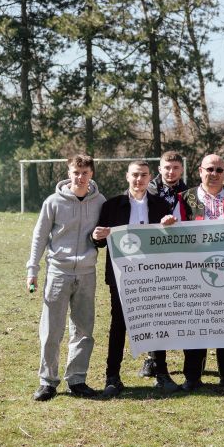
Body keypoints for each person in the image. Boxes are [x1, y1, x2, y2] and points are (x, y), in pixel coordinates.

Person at [92, 161, 180, 397]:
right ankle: (112, 376)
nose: (139, 179)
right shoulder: (112, 205)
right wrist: (97, 235)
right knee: (119, 324)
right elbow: (99, 241)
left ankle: (162, 373)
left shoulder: (161, 205)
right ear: (127, 176)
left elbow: (170, 241)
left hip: (152, 275)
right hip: (122, 275)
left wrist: (169, 227)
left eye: (143, 175)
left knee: (156, 322)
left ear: (150, 177)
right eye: (135, 175)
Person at [26, 154, 106, 401]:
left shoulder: (100, 201)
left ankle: (77, 379)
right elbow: (40, 236)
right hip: (57, 273)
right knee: (51, 330)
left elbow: (106, 234)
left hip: (87, 273)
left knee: (83, 329)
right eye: (76, 172)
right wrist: (32, 269)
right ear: (69, 173)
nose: (80, 177)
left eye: (85, 173)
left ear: (91, 174)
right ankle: (47, 381)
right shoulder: (53, 202)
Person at [174, 154, 224, 391]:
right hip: (194, 270)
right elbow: (175, 233)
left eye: (219, 170)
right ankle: (192, 377)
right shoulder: (185, 198)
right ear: (200, 171)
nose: (214, 174)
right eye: (210, 169)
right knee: (195, 322)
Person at [140, 150, 188, 378]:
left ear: (181, 169)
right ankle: (153, 359)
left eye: (175, 168)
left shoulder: (189, 194)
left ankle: (192, 360)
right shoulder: (147, 190)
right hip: (153, 255)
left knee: (183, 307)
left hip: (181, 256)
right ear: (159, 169)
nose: (171, 172)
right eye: (167, 168)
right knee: (154, 309)